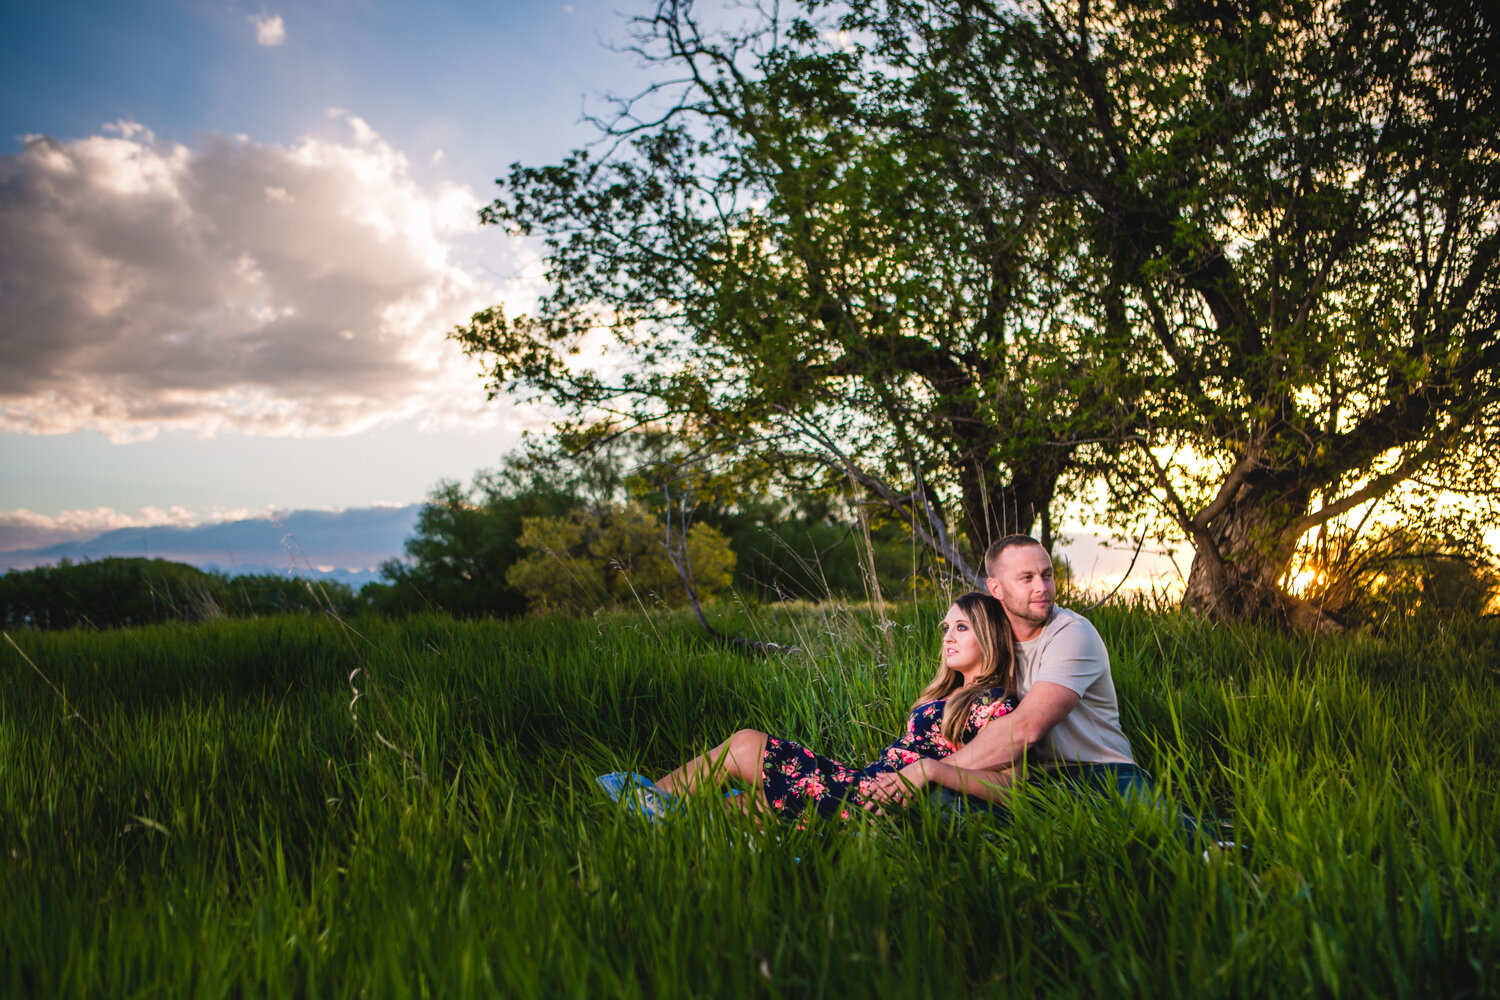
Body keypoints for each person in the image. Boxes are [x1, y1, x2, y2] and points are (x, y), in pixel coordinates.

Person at [607, 592, 1021, 822]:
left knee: (744, 766)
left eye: (961, 628)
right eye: (946, 628)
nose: (948, 637)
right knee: (742, 767)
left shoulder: (995, 703)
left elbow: (1014, 787)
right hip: (866, 783)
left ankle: (646, 811)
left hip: (882, 803)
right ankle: (651, 812)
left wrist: (930, 770)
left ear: (989, 636)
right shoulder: (948, 694)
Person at [861, 534, 1145, 811]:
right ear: (996, 588)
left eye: (1047, 575)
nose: (1042, 588)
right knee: (936, 804)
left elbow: (1024, 729)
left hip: (1101, 771)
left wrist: (927, 771)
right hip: (1035, 782)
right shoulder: (993, 639)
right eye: (1027, 578)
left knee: (1173, 835)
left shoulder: (1070, 634)